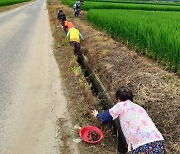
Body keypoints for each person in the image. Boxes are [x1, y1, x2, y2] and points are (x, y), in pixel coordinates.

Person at [91, 85, 165, 154]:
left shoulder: (120, 105)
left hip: (142, 146)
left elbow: (104, 118)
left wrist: (96, 115)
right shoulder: (139, 108)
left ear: (118, 99)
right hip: (159, 143)